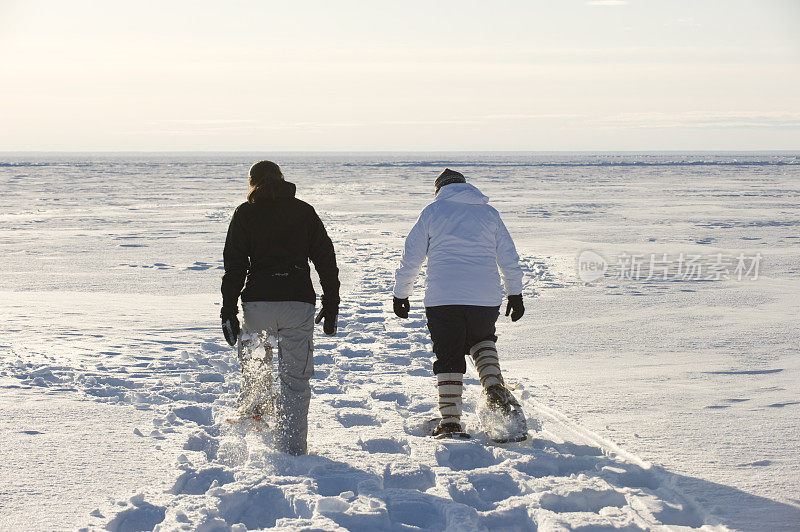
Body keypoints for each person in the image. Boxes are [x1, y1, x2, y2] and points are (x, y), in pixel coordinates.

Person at [392, 168, 525, 438]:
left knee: (449, 355)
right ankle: (492, 385)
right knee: (482, 340)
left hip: (444, 298)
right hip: (484, 297)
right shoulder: (489, 213)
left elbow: (412, 257)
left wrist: (401, 293)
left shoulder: (432, 212)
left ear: (439, 189)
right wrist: (515, 294)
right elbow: (508, 256)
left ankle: (451, 421)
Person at [220, 160, 339, 455]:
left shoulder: (246, 213)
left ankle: (254, 422)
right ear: (282, 179)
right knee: (295, 382)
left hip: (258, 304)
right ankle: (292, 449)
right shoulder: (303, 211)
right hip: (297, 303)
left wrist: (228, 310)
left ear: (252, 182)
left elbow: (234, 267)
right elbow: (325, 259)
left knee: (257, 367)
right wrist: (332, 302)